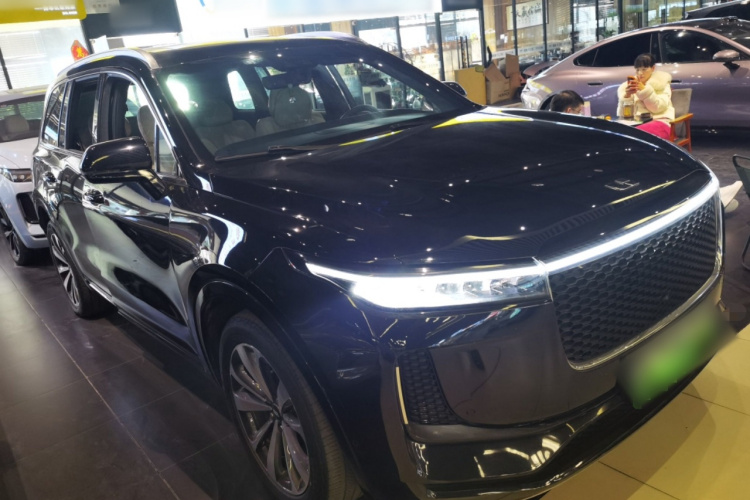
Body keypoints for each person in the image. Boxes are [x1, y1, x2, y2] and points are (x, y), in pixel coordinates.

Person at [617, 53, 674, 140]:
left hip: (659, 121)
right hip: (635, 123)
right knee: (616, 135)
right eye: (637, 70)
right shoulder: (628, 85)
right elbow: (622, 115)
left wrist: (644, 91)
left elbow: (657, 108)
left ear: (653, 68)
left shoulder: (661, 83)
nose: (640, 73)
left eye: (644, 69)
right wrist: (627, 97)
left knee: (635, 136)